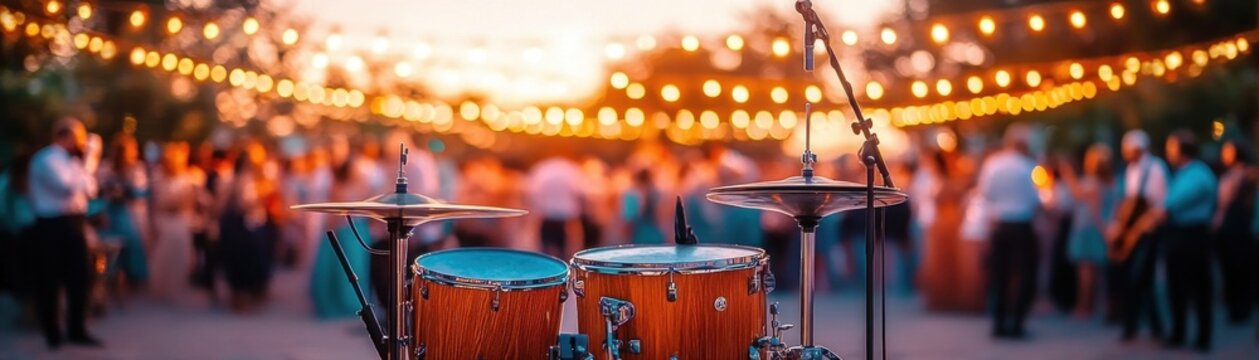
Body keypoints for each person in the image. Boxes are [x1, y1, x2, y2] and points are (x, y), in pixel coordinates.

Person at [26, 118, 101, 348]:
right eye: (78, 138)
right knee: (50, 280)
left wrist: (85, 168)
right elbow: (66, 187)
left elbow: (91, 190)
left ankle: (76, 329)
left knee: (80, 277)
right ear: (64, 135)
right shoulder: (46, 159)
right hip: (51, 224)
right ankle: (52, 333)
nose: (80, 144)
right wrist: (89, 162)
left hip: (75, 223)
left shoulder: (74, 162)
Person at [1144, 131, 1217, 351]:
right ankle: (1179, 332)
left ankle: (1201, 337)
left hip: (1192, 235)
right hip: (1180, 235)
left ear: (1181, 149)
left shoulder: (1198, 174)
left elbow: (1170, 204)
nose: (1168, 152)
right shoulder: (1181, 173)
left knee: (1198, 288)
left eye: (1171, 147)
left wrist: (1155, 215)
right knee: (1176, 287)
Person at [975, 124, 1040, 339]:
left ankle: (999, 322)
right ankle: (1017, 322)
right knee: (1023, 275)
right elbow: (1035, 199)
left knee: (1000, 275)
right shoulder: (1028, 166)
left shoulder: (993, 164)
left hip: (1000, 224)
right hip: (1021, 225)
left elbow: (985, 194)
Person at [1109, 130, 1168, 341]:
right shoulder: (1131, 169)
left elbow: (1158, 204)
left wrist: (1140, 228)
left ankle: (1154, 326)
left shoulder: (1155, 169)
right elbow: (1129, 202)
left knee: (1143, 278)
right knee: (1133, 278)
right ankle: (1134, 325)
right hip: (1133, 232)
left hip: (1147, 233)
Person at [1058, 144, 1117, 319]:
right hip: (1096, 228)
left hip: (1088, 229)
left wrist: (1067, 174)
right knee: (1094, 272)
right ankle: (1094, 306)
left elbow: (1079, 195)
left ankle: (1084, 307)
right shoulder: (1109, 182)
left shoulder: (1092, 183)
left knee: (1086, 272)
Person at [148, 142, 201, 303]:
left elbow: (189, 202)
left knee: (181, 254)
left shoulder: (187, 179)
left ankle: (176, 287)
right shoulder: (158, 177)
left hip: (180, 219)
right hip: (164, 219)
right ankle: (160, 288)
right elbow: (157, 202)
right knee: (163, 254)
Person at [1212, 138, 1256, 324]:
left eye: (1228, 151)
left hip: (1241, 230)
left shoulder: (1250, 175)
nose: (1224, 154)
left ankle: (1242, 309)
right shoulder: (1225, 176)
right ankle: (1233, 308)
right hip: (1225, 231)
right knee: (1228, 269)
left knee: (1242, 270)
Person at [96, 134, 150, 286]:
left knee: (128, 246)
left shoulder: (136, 169)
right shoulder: (107, 167)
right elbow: (100, 190)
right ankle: (113, 278)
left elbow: (141, 192)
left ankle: (123, 279)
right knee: (112, 247)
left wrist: (128, 192)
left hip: (128, 213)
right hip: (113, 212)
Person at [525, 155, 586, 257]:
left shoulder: (542, 168)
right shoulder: (571, 169)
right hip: (566, 217)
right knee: (566, 252)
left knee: (546, 251)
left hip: (547, 215)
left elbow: (532, 192)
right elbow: (582, 193)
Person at [622, 168, 664, 244]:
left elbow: (629, 221)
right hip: (656, 236)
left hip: (639, 237)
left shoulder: (631, 195)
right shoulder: (657, 194)